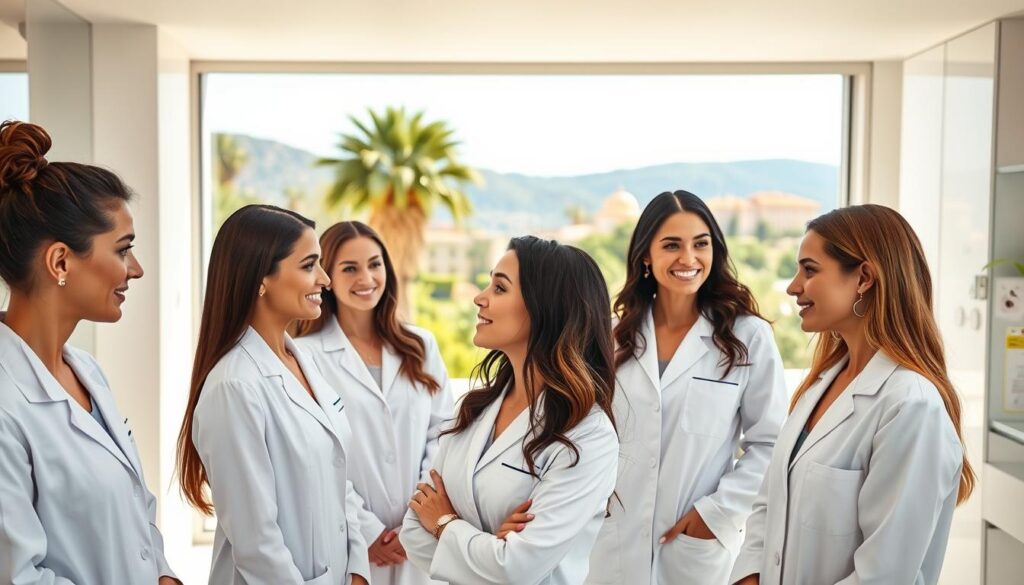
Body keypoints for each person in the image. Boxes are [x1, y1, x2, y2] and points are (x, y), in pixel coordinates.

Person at [731, 205, 974, 585]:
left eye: (810, 270)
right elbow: (769, 504)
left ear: (863, 278)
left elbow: (884, 574)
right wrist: (749, 576)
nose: (794, 286)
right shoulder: (821, 384)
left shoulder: (911, 406)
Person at [0, 120, 179, 584]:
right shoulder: (5, 399)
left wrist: (162, 573)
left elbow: (134, 507)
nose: (135, 270)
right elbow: (18, 576)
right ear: (61, 261)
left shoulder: (87, 372)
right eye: (123, 251)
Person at [587, 190, 787, 585]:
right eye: (671, 245)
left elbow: (771, 443)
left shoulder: (748, 336)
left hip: (694, 551)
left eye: (701, 244)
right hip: (610, 548)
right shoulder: (611, 337)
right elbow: (585, 431)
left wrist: (716, 514)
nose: (688, 259)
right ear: (646, 255)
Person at [399, 236, 619, 585]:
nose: (479, 297)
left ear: (544, 307)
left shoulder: (588, 435)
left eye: (499, 288)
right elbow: (412, 531)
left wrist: (446, 525)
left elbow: (517, 567)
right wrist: (489, 547)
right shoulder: (474, 409)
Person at [176, 204, 370, 585]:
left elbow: (338, 477)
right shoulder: (234, 386)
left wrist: (357, 570)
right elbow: (256, 541)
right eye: (309, 265)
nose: (325, 280)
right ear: (259, 278)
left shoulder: (303, 362)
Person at [294, 221, 453, 585]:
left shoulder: (420, 345)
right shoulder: (305, 356)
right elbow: (317, 456)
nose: (366, 277)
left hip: (422, 537)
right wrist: (367, 531)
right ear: (327, 276)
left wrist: (416, 521)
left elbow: (444, 433)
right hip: (351, 541)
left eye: (375, 264)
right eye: (349, 268)